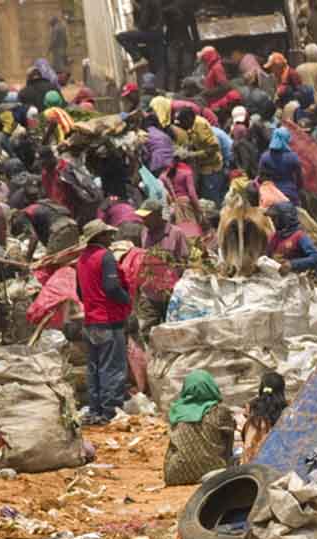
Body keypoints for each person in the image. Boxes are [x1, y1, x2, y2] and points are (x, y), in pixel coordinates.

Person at [76, 219, 131, 425]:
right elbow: (112, 288)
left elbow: (79, 292)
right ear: (99, 237)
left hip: (91, 321)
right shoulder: (105, 257)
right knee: (112, 367)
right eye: (107, 235)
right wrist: (127, 300)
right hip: (108, 320)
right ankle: (110, 412)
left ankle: (95, 409)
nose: (111, 237)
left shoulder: (82, 259)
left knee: (94, 367)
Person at [164, 370, 234, 485]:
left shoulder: (176, 412)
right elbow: (229, 439)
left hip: (176, 475)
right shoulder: (219, 411)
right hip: (213, 470)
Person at [136, 199, 189, 337]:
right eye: (142, 217)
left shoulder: (176, 234)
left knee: (172, 333)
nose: (143, 220)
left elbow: (184, 263)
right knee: (147, 333)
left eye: (147, 217)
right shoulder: (144, 232)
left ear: (158, 215)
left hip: (171, 295)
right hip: (149, 293)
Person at [174, 107, 225, 205]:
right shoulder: (191, 125)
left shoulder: (200, 125)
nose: (181, 126)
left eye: (182, 122)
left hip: (211, 168)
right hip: (202, 167)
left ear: (188, 119)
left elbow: (214, 147)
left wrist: (193, 155)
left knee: (211, 200)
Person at [264, 201, 317, 275]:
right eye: (272, 219)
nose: (273, 221)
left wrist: (292, 264)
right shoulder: (275, 236)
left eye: (275, 218)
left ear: (285, 218)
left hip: (295, 277)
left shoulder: (299, 236)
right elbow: (267, 255)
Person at [241, 372, 288, 464]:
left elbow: (248, 447)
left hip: (255, 467)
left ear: (261, 388)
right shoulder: (287, 412)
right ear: (282, 390)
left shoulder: (255, 415)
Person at [259, 127, 303, 207]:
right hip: (290, 195)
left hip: (270, 196)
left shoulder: (265, 157)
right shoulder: (293, 157)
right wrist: (297, 189)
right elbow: (299, 180)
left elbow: (260, 177)